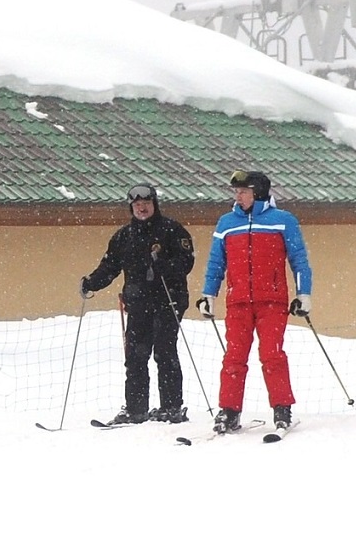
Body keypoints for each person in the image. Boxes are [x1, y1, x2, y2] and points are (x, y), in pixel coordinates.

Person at [197, 169, 313, 434]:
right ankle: (229, 410)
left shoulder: (283, 220)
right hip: (237, 301)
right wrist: (208, 295)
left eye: (243, 192)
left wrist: (303, 293)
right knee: (234, 357)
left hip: (271, 300)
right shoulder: (226, 223)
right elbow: (216, 263)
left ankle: (282, 408)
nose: (238, 197)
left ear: (257, 193)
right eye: (236, 192)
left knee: (272, 354)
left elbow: (299, 260)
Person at [81, 183, 196, 425]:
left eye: (146, 204)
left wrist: (165, 265)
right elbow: (109, 267)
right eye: (137, 205)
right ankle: (136, 409)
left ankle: (171, 407)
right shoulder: (124, 236)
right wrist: (92, 282)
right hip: (138, 303)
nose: (142, 208)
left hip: (168, 300)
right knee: (135, 355)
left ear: (155, 204)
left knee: (165, 353)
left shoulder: (172, 230)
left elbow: (186, 262)